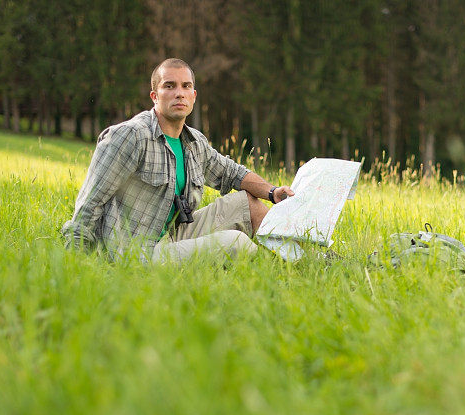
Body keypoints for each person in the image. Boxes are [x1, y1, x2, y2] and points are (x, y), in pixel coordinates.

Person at [61, 58, 294, 262]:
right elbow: (89, 203)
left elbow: (233, 173)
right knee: (235, 243)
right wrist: (77, 263)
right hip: (135, 252)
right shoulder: (130, 136)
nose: (179, 93)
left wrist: (273, 192)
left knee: (248, 204)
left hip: (172, 237)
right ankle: (274, 271)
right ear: (155, 96)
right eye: (169, 86)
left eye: (186, 86)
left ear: (193, 96)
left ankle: (302, 260)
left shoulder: (194, 142)